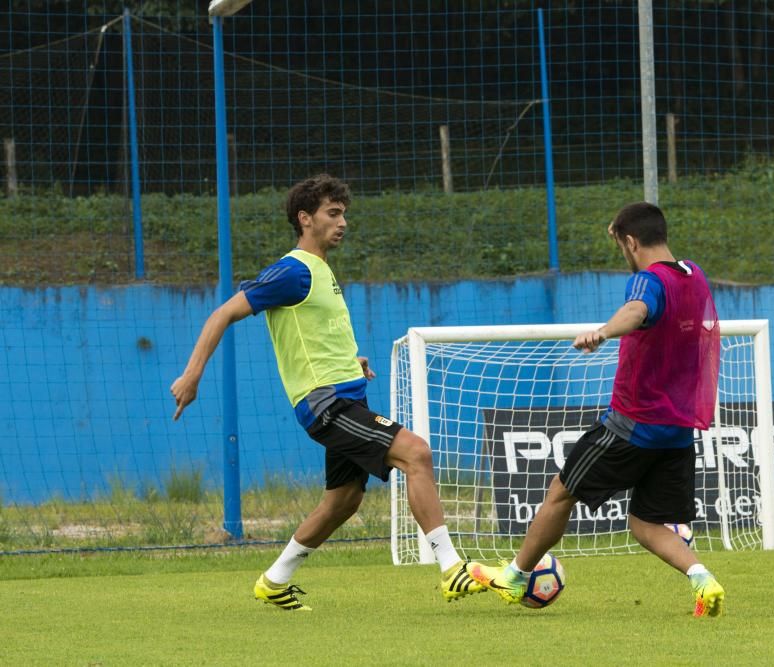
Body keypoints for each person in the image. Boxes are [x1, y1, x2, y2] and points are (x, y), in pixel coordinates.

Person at [170, 174, 483, 611]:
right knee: (417, 453)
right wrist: (192, 375)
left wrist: (350, 361)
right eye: (332, 214)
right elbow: (223, 313)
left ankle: (274, 580)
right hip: (327, 405)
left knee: (344, 500)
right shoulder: (291, 271)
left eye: (344, 214)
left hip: (348, 396)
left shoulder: (320, 271)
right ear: (305, 219)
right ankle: (452, 569)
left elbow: (312, 336)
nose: (343, 222)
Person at [469, 201, 725, 617]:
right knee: (644, 524)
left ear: (630, 241)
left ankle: (514, 576)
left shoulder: (648, 280)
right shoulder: (694, 275)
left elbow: (638, 309)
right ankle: (702, 578)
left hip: (632, 424)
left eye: (620, 247)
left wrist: (604, 332)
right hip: (677, 428)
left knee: (560, 493)